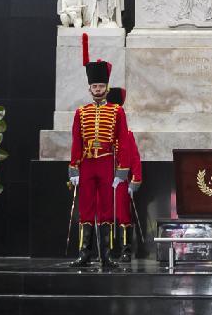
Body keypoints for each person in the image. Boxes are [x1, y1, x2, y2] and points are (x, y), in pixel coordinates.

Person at [68, 61, 131, 268]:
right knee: (85, 209)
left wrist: (122, 169)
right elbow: (77, 140)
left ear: (106, 88)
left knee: (106, 209)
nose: (98, 90)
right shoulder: (81, 112)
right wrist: (74, 166)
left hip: (106, 162)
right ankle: (84, 253)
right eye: (95, 87)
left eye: (101, 86)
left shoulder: (116, 111)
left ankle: (106, 255)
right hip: (87, 163)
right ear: (90, 89)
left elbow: (122, 141)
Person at [108, 87, 142, 263]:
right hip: (103, 179)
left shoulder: (127, 135)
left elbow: (135, 158)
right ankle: (106, 249)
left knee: (122, 213)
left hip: (120, 180)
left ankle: (126, 250)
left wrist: (135, 179)